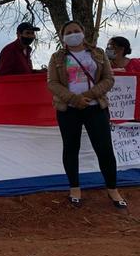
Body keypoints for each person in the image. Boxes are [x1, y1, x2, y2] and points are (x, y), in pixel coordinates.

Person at [47, 20, 127, 209]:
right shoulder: (56, 57)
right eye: (68, 32)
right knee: (71, 148)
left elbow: (109, 78)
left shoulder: (98, 54)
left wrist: (88, 96)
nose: (73, 34)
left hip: (95, 107)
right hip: (68, 109)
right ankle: (75, 188)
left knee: (105, 149)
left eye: (76, 31)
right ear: (62, 36)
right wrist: (74, 99)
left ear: (83, 33)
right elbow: (52, 83)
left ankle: (112, 189)